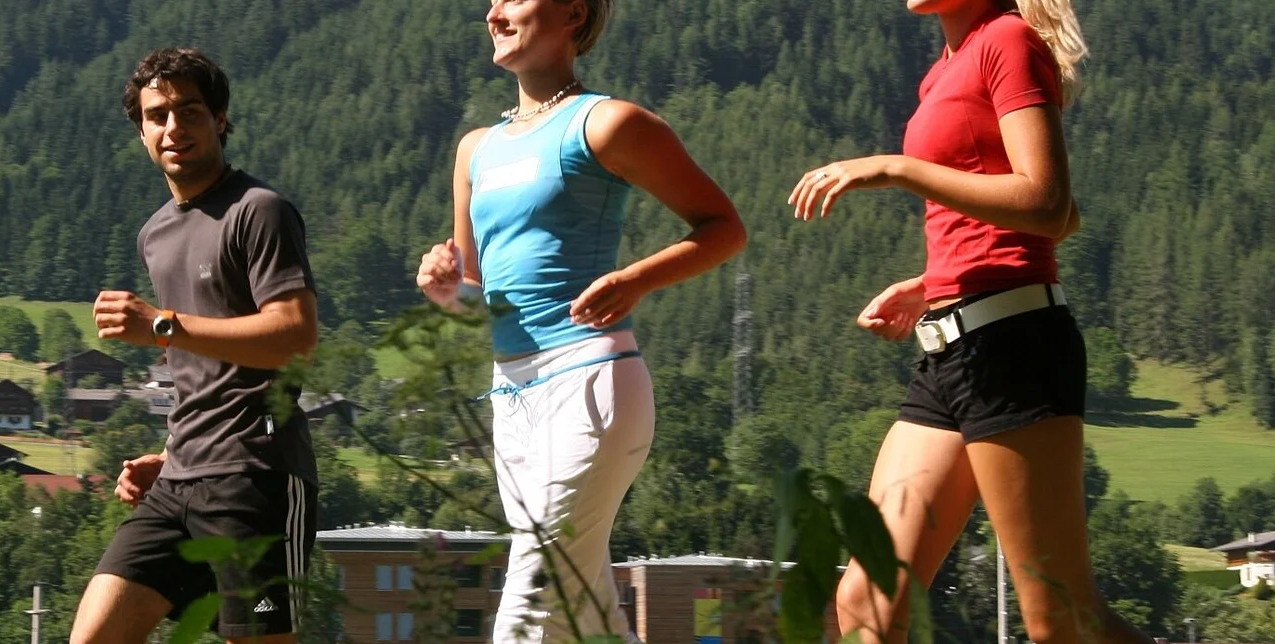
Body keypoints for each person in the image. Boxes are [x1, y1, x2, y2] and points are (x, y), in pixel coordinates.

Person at [787, 1, 1150, 642]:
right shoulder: (943, 71)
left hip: (1015, 347)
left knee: (1060, 620)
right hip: (950, 349)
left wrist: (893, 168)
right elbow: (1058, 219)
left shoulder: (1007, 41)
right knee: (868, 600)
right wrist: (934, 284)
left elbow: (1047, 201)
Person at [416, 1, 746, 641]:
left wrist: (637, 279)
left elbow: (724, 229)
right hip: (511, 398)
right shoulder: (474, 151)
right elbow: (479, 304)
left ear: (573, 12)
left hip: (589, 383)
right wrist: (446, 291)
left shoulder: (607, 123)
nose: (494, 10)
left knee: (530, 609)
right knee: (586, 618)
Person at [73, 47, 320, 644]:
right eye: (157, 116)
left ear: (220, 119)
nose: (173, 128)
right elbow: (201, 369)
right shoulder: (154, 234)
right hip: (179, 479)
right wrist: (170, 453)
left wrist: (160, 324)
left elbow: (295, 335)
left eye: (189, 111)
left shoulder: (258, 211)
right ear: (141, 131)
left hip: (255, 478)